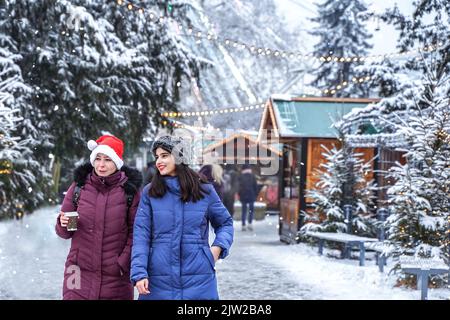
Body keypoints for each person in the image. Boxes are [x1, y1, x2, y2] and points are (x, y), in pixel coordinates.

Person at [131, 135, 234, 300]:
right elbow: (141, 235)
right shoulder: (150, 193)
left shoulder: (204, 191)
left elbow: (225, 224)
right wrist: (139, 272)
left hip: (199, 278)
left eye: (164, 155)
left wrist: (216, 250)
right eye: (157, 157)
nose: (158, 161)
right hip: (157, 280)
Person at [55, 135, 142, 300]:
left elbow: (136, 233)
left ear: (117, 162)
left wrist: (121, 263)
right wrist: (62, 223)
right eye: (98, 159)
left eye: (108, 160)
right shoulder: (79, 187)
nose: (101, 165)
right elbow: (64, 233)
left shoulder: (129, 192)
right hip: (78, 272)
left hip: (116, 278)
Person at [238, 164, 258, 231]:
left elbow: (239, 187)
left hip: (243, 195)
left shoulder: (240, 176)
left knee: (244, 211)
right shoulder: (252, 176)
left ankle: (243, 225)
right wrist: (255, 194)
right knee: (251, 210)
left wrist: (240, 194)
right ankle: (250, 224)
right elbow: (255, 186)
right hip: (251, 195)